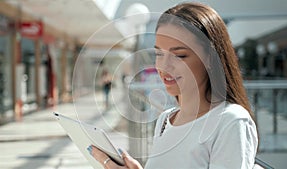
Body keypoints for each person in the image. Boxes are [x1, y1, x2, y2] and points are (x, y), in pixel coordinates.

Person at [87, 2, 258, 169]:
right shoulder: (165, 120)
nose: (163, 66)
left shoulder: (231, 122)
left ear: (210, 59)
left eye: (180, 55)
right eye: (159, 54)